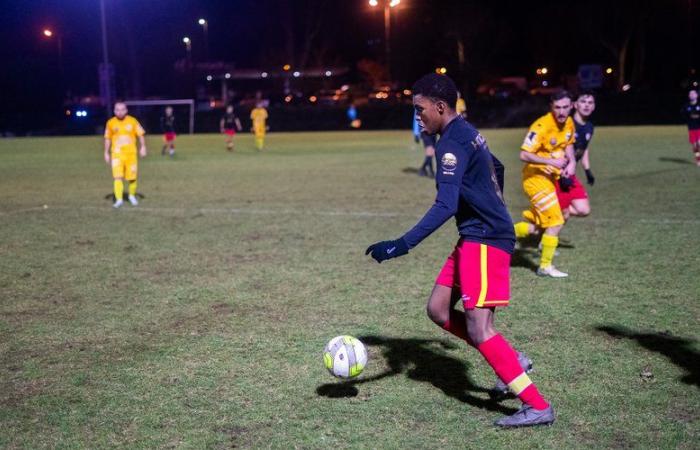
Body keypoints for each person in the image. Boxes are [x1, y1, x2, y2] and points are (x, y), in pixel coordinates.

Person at [366, 73, 554, 428]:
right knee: (438, 310)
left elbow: (445, 204)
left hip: (484, 239)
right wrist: (487, 202)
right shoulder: (466, 131)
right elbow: (495, 166)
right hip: (475, 235)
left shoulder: (450, 144)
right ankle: (512, 359)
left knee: (480, 328)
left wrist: (402, 244)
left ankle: (537, 404)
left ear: (440, 107)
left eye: (420, 110)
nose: (418, 116)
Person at [512, 91, 577, 278]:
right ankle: (545, 266)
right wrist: (551, 162)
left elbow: (568, 144)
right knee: (556, 221)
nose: (562, 111)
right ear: (551, 107)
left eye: (565, 107)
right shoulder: (541, 126)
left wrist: (571, 163)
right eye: (557, 107)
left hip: (549, 180)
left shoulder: (569, 123)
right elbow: (523, 154)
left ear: (571, 106)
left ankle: (500, 233)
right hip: (535, 180)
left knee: (538, 225)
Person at [555, 91, 596, 219]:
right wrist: (560, 172)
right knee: (562, 215)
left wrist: (587, 170)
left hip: (569, 175)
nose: (586, 105)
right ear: (575, 105)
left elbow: (583, 148)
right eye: (583, 102)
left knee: (583, 210)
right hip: (556, 174)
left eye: (590, 102)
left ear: (594, 106)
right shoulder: (567, 124)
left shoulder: (589, 126)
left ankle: (552, 209)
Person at [104, 102, 147, 208]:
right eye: (117, 109)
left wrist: (143, 147)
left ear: (126, 110)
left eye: (122, 109)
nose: (120, 112)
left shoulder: (132, 121)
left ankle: (131, 196)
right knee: (117, 177)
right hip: (117, 155)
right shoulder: (110, 123)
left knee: (132, 178)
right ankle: (119, 199)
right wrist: (106, 152)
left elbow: (140, 134)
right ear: (114, 111)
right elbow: (107, 138)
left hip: (131, 154)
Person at [683, 89, 700, 166]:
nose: (691, 95)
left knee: (699, 143)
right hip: (691, 128)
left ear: (697, 95)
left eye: (693, 94)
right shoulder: (687, 106)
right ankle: (698, 160)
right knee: (694, 145)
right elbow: (684, 115)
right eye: (690, 94)